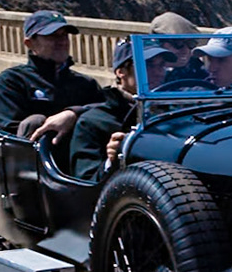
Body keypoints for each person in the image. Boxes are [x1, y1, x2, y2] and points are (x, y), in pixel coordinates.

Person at [65, 36, 171, 178]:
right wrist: (112, 161)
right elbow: (85, 180)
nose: (158, 72)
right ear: (121, 71)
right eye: (148, 65)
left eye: (162, 65)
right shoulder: (93, 121)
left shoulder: (172, 112)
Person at [0, 10, 103, 138]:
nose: (61, 42)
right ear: (29, 43)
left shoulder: (86, 84)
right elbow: (9, 130)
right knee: (35, 121)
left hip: (82, 153)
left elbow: (106, 112)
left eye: (64, 35)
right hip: (35, 154)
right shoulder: (12, 81)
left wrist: (73, 114)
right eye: (52, 36)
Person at [149, 11, 208, 86]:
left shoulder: (198, 70)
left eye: (191, 43)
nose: (185, 51)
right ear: (157, 42)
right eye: (178, 43)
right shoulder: (145, 72)